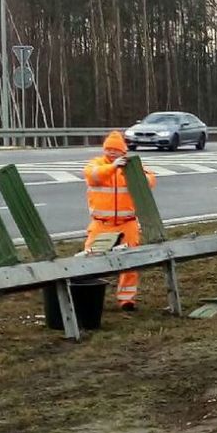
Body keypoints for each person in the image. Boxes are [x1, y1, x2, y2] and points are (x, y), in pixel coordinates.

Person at [84, 130, 155, 311]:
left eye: (115, 150)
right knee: (88, 260)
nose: (111, 152)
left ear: (123, 151)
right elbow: (93, 176)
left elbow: (149, 181)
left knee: (130, 261)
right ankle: (87, 296)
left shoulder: (131, 166)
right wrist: (113, 167)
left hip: (127, 223)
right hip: (101, 223)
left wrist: (129, 172)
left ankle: (126, 299)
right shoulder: (96, 164)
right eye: (108, 149)